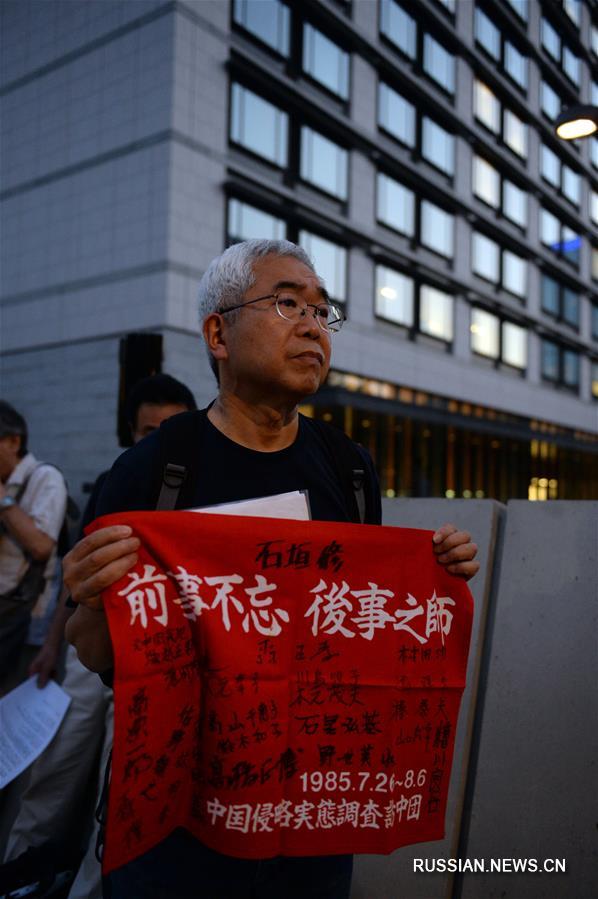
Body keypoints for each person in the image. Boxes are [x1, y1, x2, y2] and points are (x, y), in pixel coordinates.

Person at [64, 239, 479, 899]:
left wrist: (437, 568)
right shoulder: (154, 470)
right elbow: (93, 652)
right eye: (288, 303)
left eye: (322, 311)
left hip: (309, 820)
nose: (314, 325)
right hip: (183, 824)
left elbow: (361, 625)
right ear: (217, 333)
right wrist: (88, 597)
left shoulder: (350, 468)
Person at [0, 375, 197, 899]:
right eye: (147, 430)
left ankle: (92, 889)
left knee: (123, 785)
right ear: (130, 433)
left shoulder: (207, 484)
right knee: (56, 765)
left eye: (171, 428)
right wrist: (52, 648)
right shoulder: (121, 477)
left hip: (158, 660)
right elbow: (74, 575)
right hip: (92, 643)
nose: (157, 438)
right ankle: (19, 876)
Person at [0, 400, 67, 694]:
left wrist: (3, 501)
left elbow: (41, 546)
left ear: (14, 442)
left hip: (27, 621)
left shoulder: (45, 478)